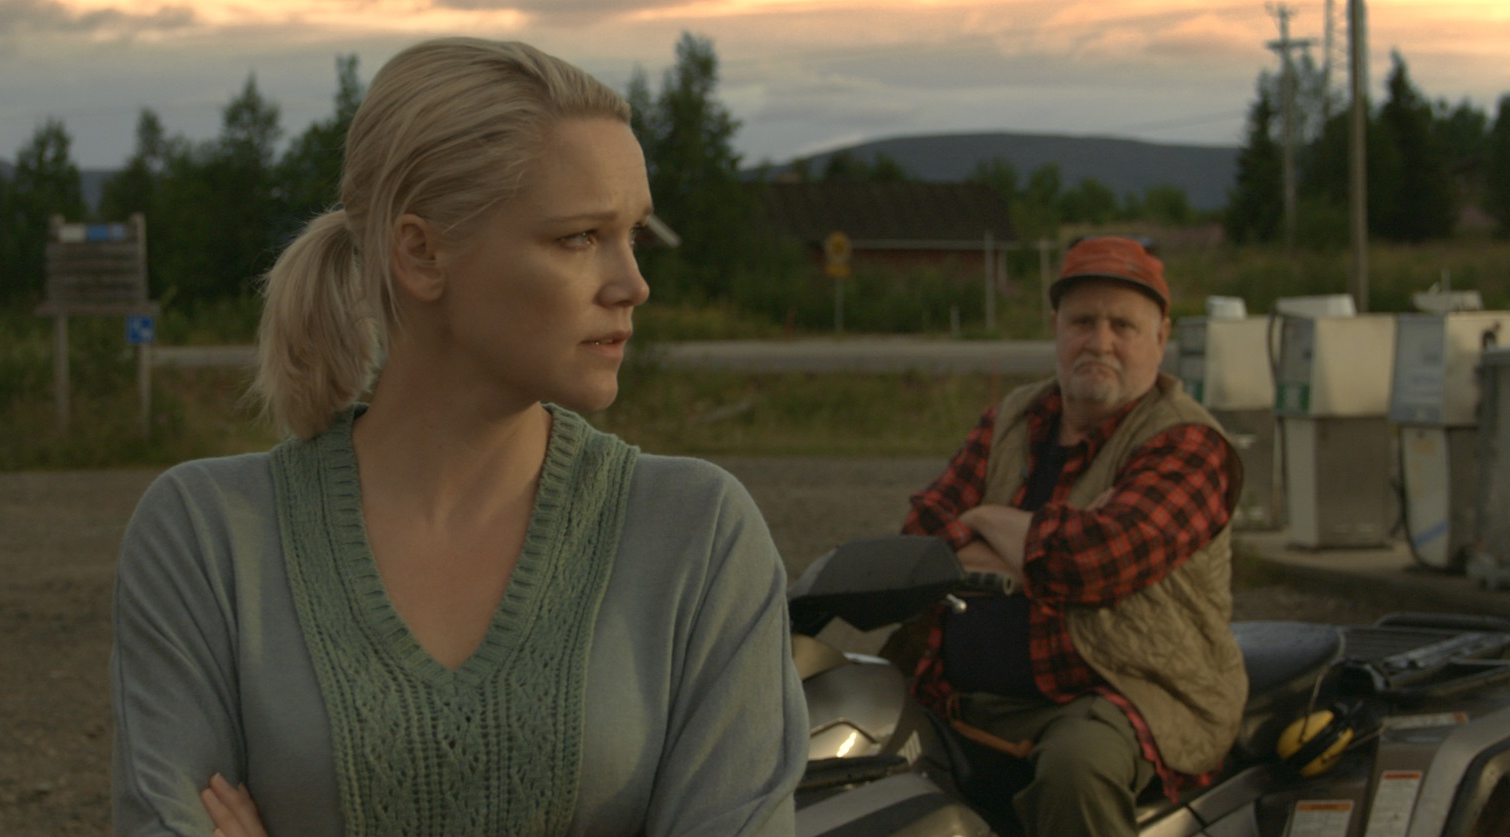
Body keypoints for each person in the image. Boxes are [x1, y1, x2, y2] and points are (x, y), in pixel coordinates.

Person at [109, 37, 805, 836]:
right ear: (421, 252)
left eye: (633, 235)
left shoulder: (700, 536)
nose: (633, 284)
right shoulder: (206, 537)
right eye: (579, 237)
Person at [886, 236, 1245, 836]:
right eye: (1083, 322)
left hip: (1122, 696)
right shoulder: (1013, 419)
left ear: (1160, 338)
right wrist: (1031, 540)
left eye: (1123, 326)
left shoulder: (1188, 443)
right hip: (962, 694)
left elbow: (1090, 565)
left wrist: (985, 520)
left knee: (1078, 771)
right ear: (1056, 326)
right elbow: (919, 539)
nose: (1100, 342)